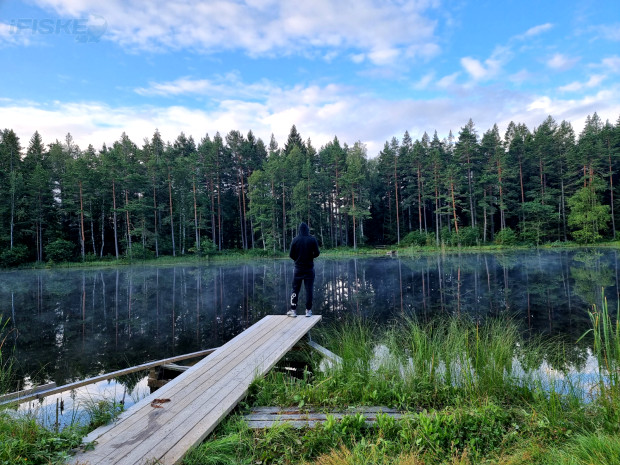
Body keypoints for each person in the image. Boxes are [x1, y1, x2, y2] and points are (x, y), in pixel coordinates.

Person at [287, 222, 320, 317]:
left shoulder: (295, 240)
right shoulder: (312, 239)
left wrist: (297, 260)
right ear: (307, 230)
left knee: (295, 289)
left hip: (298, 269)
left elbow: (291, 255)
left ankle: (293, 311)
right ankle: (308, 311)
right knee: (309, 290)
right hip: (309, 269)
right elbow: (317, 253)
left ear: (299, 230)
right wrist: (310, 257)